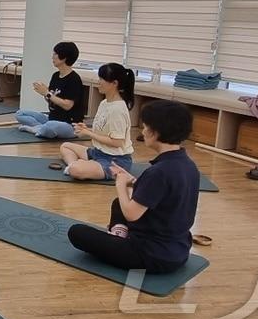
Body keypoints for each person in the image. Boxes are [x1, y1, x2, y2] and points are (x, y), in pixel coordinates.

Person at [67, 100, 199, 273]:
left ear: (154, 132)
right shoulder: (189, 165)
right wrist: (133, 180)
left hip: (150, 255)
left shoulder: (159, 172)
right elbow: (169, 196)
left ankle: (120, 240)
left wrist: (121, 184)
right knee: (117, 204)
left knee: (77, 233)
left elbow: (131, 214)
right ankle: (119, 234)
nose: (143, 131)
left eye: (145, 127)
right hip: (178, 250)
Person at [59, 63, 136, 180]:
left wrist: (88, 133)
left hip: (116, 160)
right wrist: (86, 129)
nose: (98, 81)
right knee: (65, 146)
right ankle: (74, 165)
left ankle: (77, 167)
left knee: (76, 170)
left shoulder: (118, 109)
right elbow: (103, 132)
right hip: (98, 153)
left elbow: (117, 142)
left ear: (115, 83)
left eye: (101, 79)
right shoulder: (104, 103)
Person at [14, 41, 87, 138]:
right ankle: (40, 128)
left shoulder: (74, 79)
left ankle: (38, 128)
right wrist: (44, 93)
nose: (52, 57)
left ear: (64, 57)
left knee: (50, 127)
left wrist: (47, 93)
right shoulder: (56, 76)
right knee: (20, 113)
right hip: (51, 118)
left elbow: (67, 105)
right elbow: (50, 100)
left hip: (70, 124)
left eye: (55, 54)